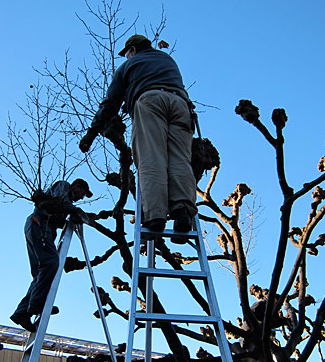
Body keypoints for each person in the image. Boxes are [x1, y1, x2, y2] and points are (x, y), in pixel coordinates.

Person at [79, 34, 197, 233]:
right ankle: (183, 212)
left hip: (150, 101)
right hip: (180, 105)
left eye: (127, 53)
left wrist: (91, 133)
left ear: (132, 50)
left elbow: (110, 103)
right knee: (180, 159)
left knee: (151, 157)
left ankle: (155, 216)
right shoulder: (166, 59)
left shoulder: (128, 66)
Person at [10, 178, 93, 332]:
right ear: (77, 186)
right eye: (83, 193)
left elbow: (58, 217)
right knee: (51, 262)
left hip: (38, 227)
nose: (81, 197)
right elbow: (62, 202)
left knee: (40, 274)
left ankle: (21, 313)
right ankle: (37, 304)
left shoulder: (63, 203)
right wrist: (77, 212)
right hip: (39, 224)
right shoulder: (63, 186)